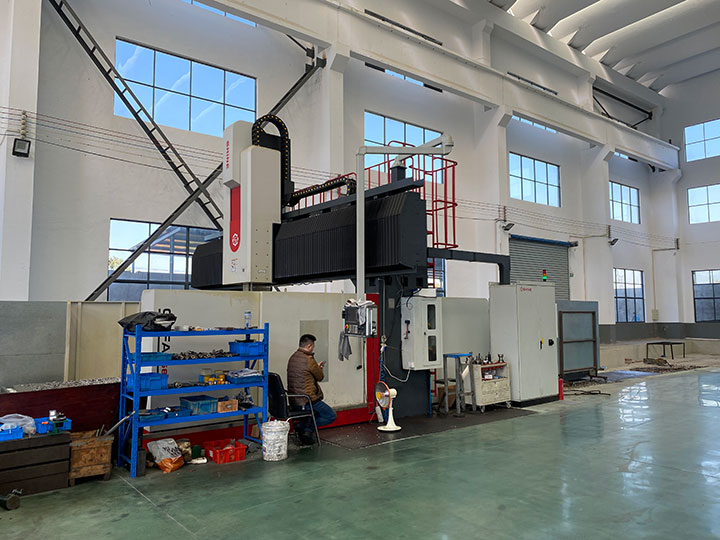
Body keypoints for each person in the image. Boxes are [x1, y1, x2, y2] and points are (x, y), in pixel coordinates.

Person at [286, 334, 337, 445]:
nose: (313, 349)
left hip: (294, 400)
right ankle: (303, 426)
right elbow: (320, 377)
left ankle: (306, 430)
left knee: (313, 416)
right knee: (331, 415)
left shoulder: (293, 357)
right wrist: (319, 369)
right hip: (307, 400)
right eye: (313, 346)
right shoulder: (309, 359)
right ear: (309, 346)